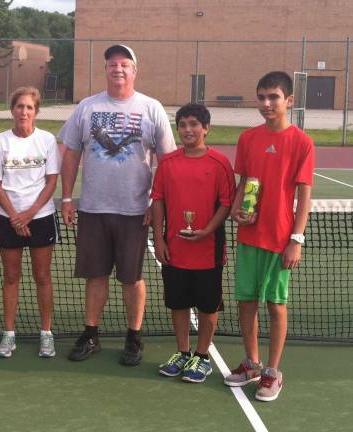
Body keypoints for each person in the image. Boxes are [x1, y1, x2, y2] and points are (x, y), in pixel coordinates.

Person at [59, 45, 176, 365]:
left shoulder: (152, 109)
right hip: (93, 210)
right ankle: (91, 333)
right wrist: (67, 197)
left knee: (131, 278)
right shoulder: (87, 107)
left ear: (134, 71)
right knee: (95, 276)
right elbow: (70, 154)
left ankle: (133, 337)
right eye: (112, 64)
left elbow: (167, 161)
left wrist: (156, 203)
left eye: (125, 64)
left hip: (135, 212)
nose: (118, 69)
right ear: (106, 69)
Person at [224, 71, 314, 401]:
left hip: (279, 240)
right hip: (249, 237)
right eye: (261, 97)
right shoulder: (248, 139)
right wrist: (236, 209)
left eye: (273, 97)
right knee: (246, 302)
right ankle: (251, 364)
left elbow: (304, 196)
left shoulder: (302, 142)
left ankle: (273, 372)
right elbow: (244, 182)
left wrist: (296, 239)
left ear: (289, 101)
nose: (266, 103)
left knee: (276, 305)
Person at [151, 103, 235, 383]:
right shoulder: (168, 162)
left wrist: (206, 231)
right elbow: (158, 200)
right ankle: (183, 352)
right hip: (174, 249)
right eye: (183, 125)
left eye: (194, 124)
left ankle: (202, 357)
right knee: (178, 302)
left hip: (208, 250)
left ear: (206, 128)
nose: (187, 130)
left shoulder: (220, 163)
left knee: (208, 306)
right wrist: (159, 237)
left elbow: (226, 203)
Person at [0, 87, 61, 358]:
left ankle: (46, 334)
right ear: (12, 110)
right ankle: (8, 336)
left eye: (29, 107)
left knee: (42, 276)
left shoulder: (47, 140)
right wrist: (15, 216)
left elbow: (51, 180)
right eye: (19, 106)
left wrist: (29, 214)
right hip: (7, 218)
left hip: (40, 218)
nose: (24, 112)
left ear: (36, 112)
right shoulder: (0, 141)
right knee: (10, 277)